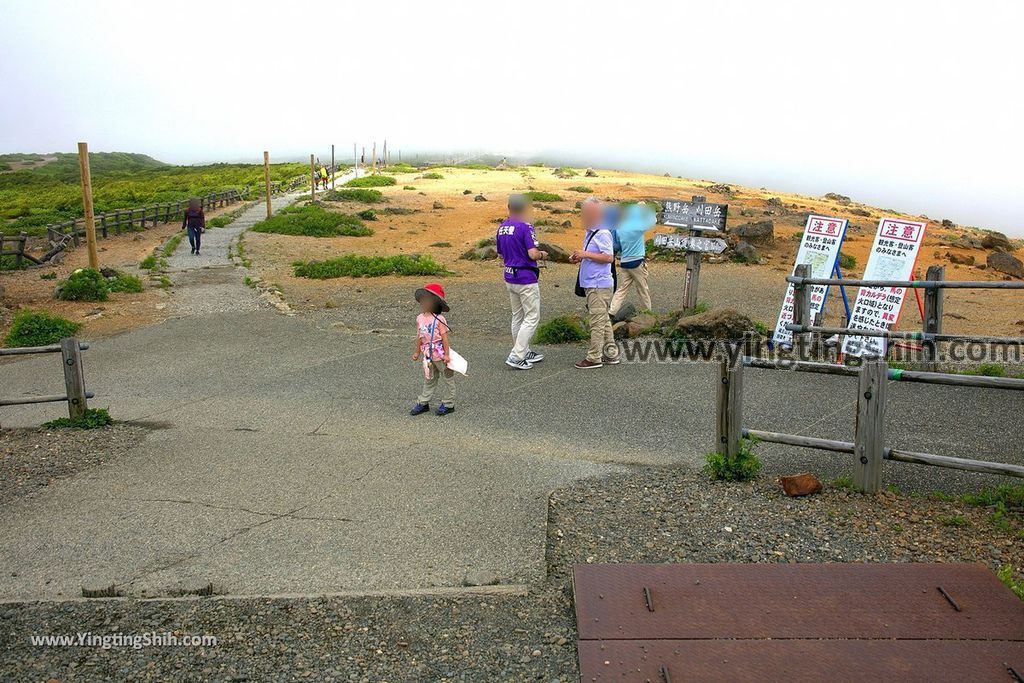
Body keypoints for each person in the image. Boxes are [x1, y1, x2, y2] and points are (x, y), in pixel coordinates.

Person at [496, 194, 548, 370]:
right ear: (524, 208)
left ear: (509, 207)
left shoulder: (502, 228)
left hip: (509, 275)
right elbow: (533, 253)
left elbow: (500, 255)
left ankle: (523, 350)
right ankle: (517, 354)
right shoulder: (525, 227)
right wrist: (542, 255)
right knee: (532, 316)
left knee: (517, 315)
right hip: (526, 277)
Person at [570, 198, 619, 369]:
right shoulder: (591, 232)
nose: (584, 216)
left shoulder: (603, 233)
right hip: (593, 283)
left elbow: (608, 257)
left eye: (587, 213)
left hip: (599, 284)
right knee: (603, 319)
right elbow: (594, 254)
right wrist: (580, 257)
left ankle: (594, 357)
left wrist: (584, 255)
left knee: (597, 322)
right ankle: (611, 354)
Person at [410, 282, 456, 416]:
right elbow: (419, 336)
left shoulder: (439, 319)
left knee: (447, 377)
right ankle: (423, 402)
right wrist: (417, 351)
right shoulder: (419, 318)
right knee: (429, 378)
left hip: (440, 354)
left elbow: (445, 338)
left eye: (427, 300)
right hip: (428, 355)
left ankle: (449, 403)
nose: (424, 303)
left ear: (435, 303)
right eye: (422, 300)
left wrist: (447, 355)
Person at [609, 201, 656, 315]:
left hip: (624, 261)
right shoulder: (637, 227)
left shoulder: (621, 228)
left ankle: (612, 311)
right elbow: (653, 221)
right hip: (636, 261)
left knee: (622, 288)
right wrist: (647, 210)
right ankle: (648, 313)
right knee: (643, 289)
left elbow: (618, 245)